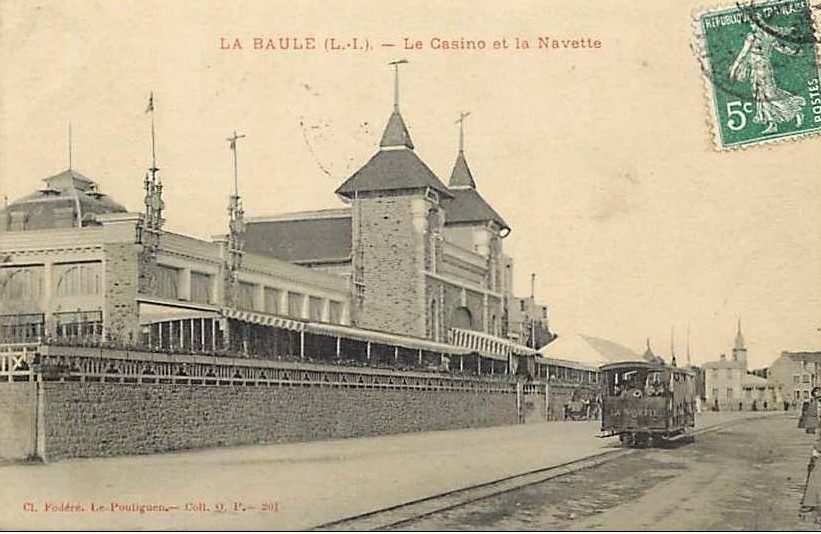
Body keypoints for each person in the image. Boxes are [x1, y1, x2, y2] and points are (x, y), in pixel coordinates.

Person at [729, 23, 806, 134]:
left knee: (770, 96)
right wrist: (795, 52)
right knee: (762, 97)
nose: (753, 26)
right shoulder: (764, 35)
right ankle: (772, 124)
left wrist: (733, 70)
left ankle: (796, 112)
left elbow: (743, 55)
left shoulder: (756, 37)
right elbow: (782, 48)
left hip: (764, 71)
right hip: (757, 72)